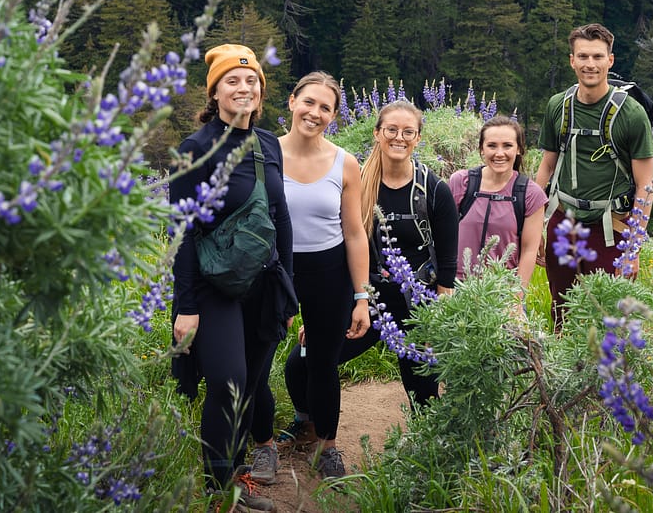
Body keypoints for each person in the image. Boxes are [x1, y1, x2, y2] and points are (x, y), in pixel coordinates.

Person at [281, 100, 457, 446]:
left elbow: (447, 267)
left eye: (408, 132)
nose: (399, 137)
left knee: (422, 383)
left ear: (418, 138)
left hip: (417, 306)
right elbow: (344, 246)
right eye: (391, 129)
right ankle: (307, 422)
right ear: (377, 133)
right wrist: (326, 315)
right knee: (301, 362)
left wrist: (437, 322)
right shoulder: (357, 182)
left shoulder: (434, 190)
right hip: (368, 301)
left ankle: (429, 449)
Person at [170, 44, 296, 513]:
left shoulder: (267, 146)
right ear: (215, 92)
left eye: (251, 82)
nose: (243, 88)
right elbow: (181, 231)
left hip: (264, 286)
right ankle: (219, 493)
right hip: (213, 288)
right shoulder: (196, 148)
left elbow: (281, 219)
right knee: (227, 382)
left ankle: (236, 477)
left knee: (250, 382)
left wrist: (289, 292)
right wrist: (185, 306)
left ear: (261, 92)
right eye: (232, 82)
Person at [249, 71, 371, 481]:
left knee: (323, 361)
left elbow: (354, 232)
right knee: (257, 362)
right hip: (273, 269)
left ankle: (327, 445)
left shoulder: (344, 162)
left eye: (325, 108)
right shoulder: (263, 152)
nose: (315, 113)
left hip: (327, 269)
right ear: (291, 102)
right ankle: (264, 446)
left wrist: (361, 296)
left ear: (334, 116)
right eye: (309, 102)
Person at [534, 23, 653, 329]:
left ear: (610, 61)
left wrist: (633, 247)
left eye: (598, 57)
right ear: (572, 60)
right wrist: (534, 226)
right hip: (564, 223)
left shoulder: (631, 114)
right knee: (562, 311)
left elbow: (646, 185)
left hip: (611, 228)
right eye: (583, 56)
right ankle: (564, 376)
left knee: (608, 319)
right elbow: (546, 168)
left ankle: (606, 377)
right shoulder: (557, 107)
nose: (590, 64)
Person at [449, 115, 547, 304]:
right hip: (458, 288)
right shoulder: (461, 183)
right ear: (481, 150)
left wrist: (516, 299)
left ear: (519, 149)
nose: (499, 153)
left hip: (502, 292)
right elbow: (443, 237)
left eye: (507, 146)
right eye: (492, 146)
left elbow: (528, 251)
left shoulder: (530, 193)